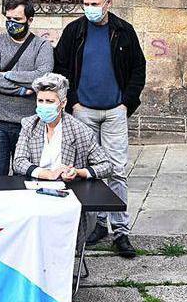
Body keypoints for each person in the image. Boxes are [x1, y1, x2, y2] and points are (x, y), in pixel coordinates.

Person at [52, 0, 146, 258]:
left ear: (109, 3)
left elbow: (138, 69)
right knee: (87, 171)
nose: (90, 9)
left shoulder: (123, 31)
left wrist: (126, 104)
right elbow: (61, 67)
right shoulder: (75, 31)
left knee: (116, 170)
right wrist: (74, 103)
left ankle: (121, 231)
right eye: (86, 4)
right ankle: (97, 224)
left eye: (95, 4)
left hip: (115, 112)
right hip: (84, 111)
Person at [11, 73, 116, 251]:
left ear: (63, 103)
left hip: (66, 198)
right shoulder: (29, 125)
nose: (44, 106)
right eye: (40, 101)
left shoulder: (79, 130)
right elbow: (19, 162)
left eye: (50, 101)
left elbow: (106, 165)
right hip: (34, 195)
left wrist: (78, 171)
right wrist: (47, 174)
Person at [0, 0, 54, 176]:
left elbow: (42, 77)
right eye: (8, 19)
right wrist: (22, 89)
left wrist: (8, 75)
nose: (12, 24)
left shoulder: (42, 46)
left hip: (30, 123)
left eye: (17, 20)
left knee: (27, 177)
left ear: (29, 20)